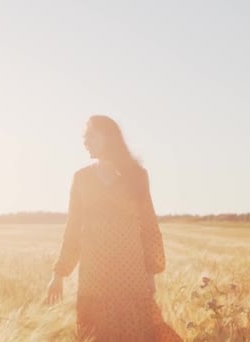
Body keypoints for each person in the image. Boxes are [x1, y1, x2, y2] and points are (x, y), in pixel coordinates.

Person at [46, 115, 182, 341]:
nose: (85, 141)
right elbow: (73, 230)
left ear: (108, 137)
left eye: (90, 135)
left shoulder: (137, 176)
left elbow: (149, 226)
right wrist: (59, 273)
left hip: (131, 276)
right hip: (94, 277)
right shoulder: (81, 179)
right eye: (84, 137)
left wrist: (151, 273)